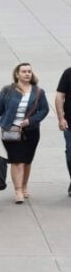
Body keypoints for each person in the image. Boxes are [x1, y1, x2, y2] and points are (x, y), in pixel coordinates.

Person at [0, 63, 49, 203]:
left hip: (31, 132)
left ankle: (24, 186)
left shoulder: (38, 92)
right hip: (10, 130)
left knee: (27, 161)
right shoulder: (7, 90)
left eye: (29, 71)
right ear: (17, 74)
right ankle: (18, 191)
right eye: (24, 71)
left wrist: (31, 121)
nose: (27, 74)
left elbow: (44, 110)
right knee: (17, 161)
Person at [56, 67, 71, 197]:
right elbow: (60, 96)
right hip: (70, 123)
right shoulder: (68, 73)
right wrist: (61, 118)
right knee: (70, 155)